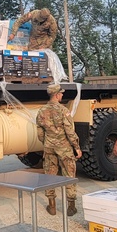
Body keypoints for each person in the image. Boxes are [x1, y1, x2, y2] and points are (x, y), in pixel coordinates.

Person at [36, 83, 83, 216]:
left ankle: (52, 206)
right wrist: (77, 148)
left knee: (49, 175)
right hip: (64, 148)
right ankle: (71, 207)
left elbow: (40, 133)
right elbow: (70, 131)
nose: (62, 95)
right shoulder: (63, 111)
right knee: (69, 175)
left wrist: (47, 143)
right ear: (56, 95)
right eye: (61, 93)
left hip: (49, 147)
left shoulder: (41, 111)